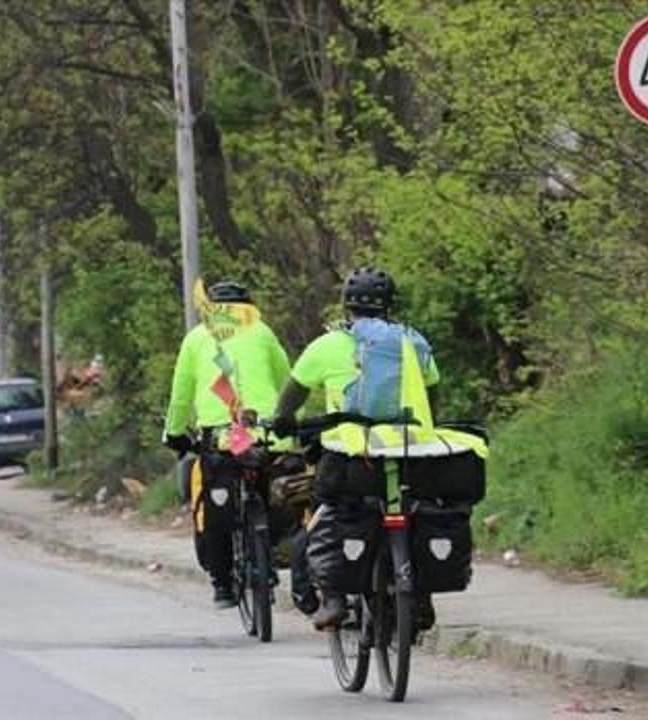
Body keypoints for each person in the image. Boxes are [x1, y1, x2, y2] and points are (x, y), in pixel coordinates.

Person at [273, 266, 445, 630]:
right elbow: (432, 397)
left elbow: (292, 396)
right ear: (389, 307)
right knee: (418, 510)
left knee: (326, 512)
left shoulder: (327, 345)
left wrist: (283, 421)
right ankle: (422, 597)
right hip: (408, 452)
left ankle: (333, 598)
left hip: (351, 457)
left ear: (346, 306)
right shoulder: (411, 342)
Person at [162, 281, 292, 609]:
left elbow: (180, 396)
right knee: (275, 494)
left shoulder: (196, 338)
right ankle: (269, 554)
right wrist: (293, 424)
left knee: (215, 507)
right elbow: (289, 382)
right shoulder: (263, 331)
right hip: (267, 436)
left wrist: (175, 433)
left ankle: (222, 584)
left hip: (221, 439)